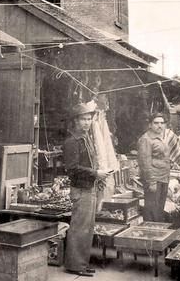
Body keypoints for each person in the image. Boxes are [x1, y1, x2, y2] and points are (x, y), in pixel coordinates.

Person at [63, 101, 112, 277]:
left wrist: (98, 174)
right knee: (79, 228)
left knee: (87, 228)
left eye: (89, 119)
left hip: (88, 187)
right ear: (75, 121)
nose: (86, 122)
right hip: (81, 189)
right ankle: (75, 265)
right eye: (83, 119)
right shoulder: (72, 141)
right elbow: (72, 169)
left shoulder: (85, 138)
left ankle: (81, 263)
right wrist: (96, 173)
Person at [137, 113, 171, 222]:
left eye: (162, 123)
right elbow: (144, 162)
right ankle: (151, 232)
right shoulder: (146, 139)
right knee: (152, 209)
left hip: (163, 177)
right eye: (156, 123)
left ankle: (159, 232)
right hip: (154, 179)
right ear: (150, 125)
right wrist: (151, 181)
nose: (159, 125)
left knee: (159, 208)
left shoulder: (162, 137)